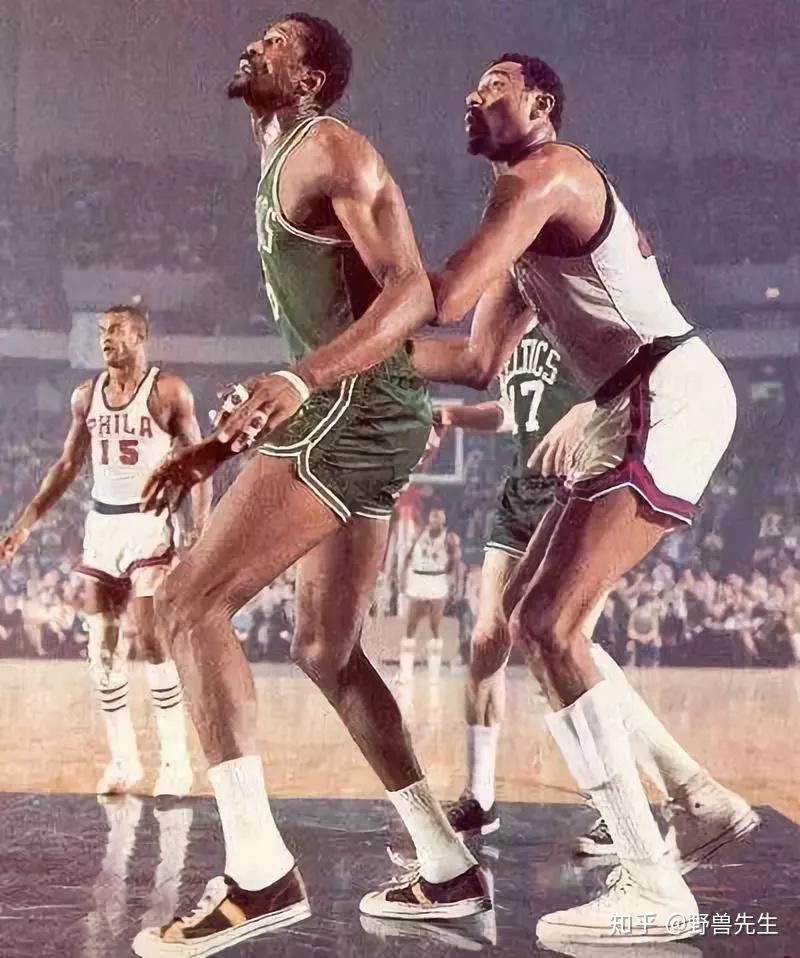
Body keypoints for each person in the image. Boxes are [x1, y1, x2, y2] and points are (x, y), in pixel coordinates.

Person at [133, 15, 488, 956]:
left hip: (356, 406)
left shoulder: (332, 149)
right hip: (361, 409)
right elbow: (330, 325)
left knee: (186, 605)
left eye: (280, 40)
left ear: (313, 79)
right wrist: (220, 447)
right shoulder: (276, 159)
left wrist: (300, 380)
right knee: (326, 648)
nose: (257, 44)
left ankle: (260, 876)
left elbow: (414, 293)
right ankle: (446, 861)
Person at [409, 53, 758, 944]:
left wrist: (352, 318)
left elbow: (442, 296)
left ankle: (652, 882)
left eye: (493, 83)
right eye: (471, 84)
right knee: (530, 616)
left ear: (540, 104)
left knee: (552, 626)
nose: (473, 93)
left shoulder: (548, 175)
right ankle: (697, 799)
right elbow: (472, 360)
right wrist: (349, 365)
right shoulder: (523, 226)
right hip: (630, 402)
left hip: (663, 390)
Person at [0, 302, 209, 797]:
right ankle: (124, 762)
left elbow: (200, 462)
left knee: (151, 639)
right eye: (101, 331)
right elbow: (67, 464)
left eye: (115, 329)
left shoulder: (168, 391)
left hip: (148, 524)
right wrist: (25, 524)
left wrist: (197, 528)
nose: (105, 338)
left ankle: (175, 764)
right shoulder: (86, 395)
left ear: (140, 337)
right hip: (102, 525)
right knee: (101, 649)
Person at [400, 504, 460, 684]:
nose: (435, 521)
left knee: (434, 626)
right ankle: (405, 672)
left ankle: (434, 673)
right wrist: (402, 578)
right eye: (433, 517)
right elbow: (407, 557)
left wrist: (456, 584)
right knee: (410, 626)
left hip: (437, 581)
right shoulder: (419, 534)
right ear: (429, 519)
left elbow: (455, 564)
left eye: (439, 518)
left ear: (443, 520)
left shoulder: (449, 538)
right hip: (418, 580)